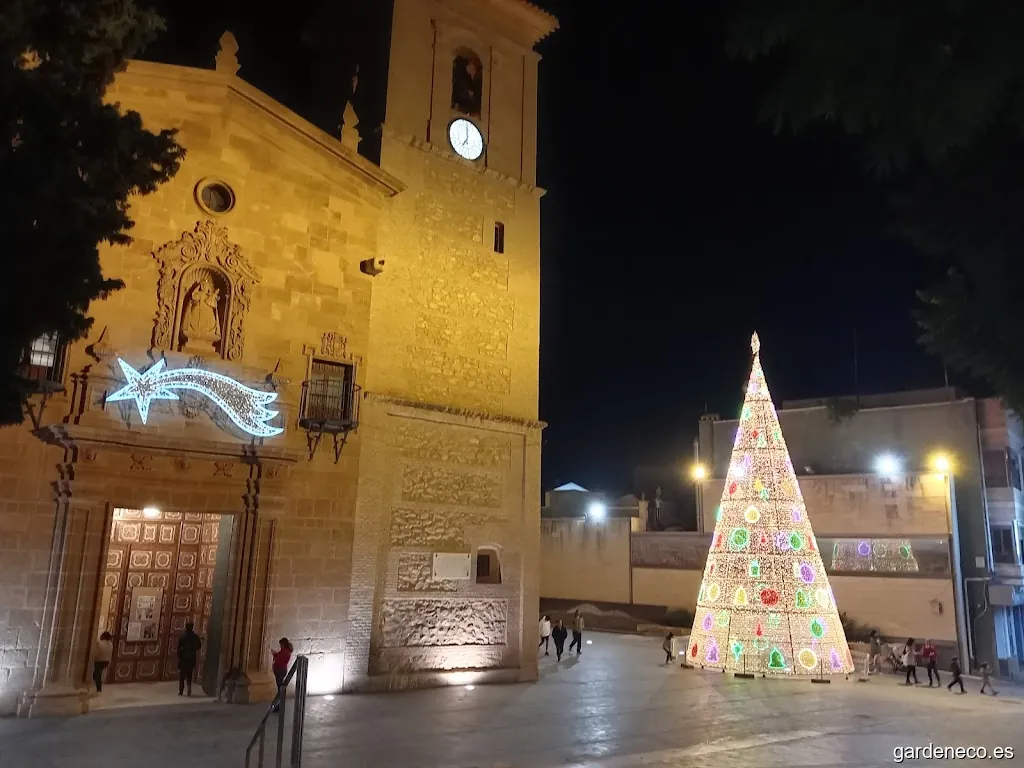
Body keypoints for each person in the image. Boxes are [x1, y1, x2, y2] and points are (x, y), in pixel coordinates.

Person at [177, 622, 202, 696]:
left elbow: (179, 648)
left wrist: (180, 656)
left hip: (183, 658)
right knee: (189, 675)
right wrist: (193, 649)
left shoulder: (182, 636)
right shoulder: (195, 636)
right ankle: (189, 688)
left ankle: (181, 691)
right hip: (191, 658)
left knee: (182, 675)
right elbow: (199, 646)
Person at [271, 637, 293, 710]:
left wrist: (274, 655)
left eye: (280, 644)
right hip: (281, 670)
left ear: (283, 644)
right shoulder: (286, 651)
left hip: (280, 670)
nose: (280, 646)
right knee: (280, 688)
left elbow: (279, 659)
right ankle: (279, 705)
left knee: (280, 689)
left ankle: (279, 706)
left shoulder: (285, 652)